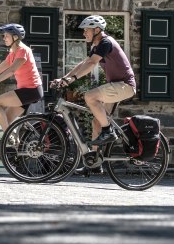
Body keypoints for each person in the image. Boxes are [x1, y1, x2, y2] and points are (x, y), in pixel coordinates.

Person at [52, 15, 136, 147]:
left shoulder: (106, 42)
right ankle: (94, 164)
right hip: (115, 86)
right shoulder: (96, 46)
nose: (84, 33)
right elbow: (84, 63)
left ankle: (108, 131)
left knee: (90, 96)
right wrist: (64, 78)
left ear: (96, 30)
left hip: (124, 86)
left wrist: (72, 79)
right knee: (97, 123)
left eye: (86, 30)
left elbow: (91, 63)